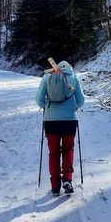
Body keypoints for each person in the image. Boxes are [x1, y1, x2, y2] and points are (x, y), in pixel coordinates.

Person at [35, 60, 85, 196]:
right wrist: (72, 106)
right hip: (69, 120)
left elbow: (39, 100)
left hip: (51, 121)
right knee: (68, 149)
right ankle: (67, 179)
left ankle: (55, 186)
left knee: (54, 152)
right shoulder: (74, 78)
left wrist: (48, 106)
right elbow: (81, 102)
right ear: (69, 67)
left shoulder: (47, 77)